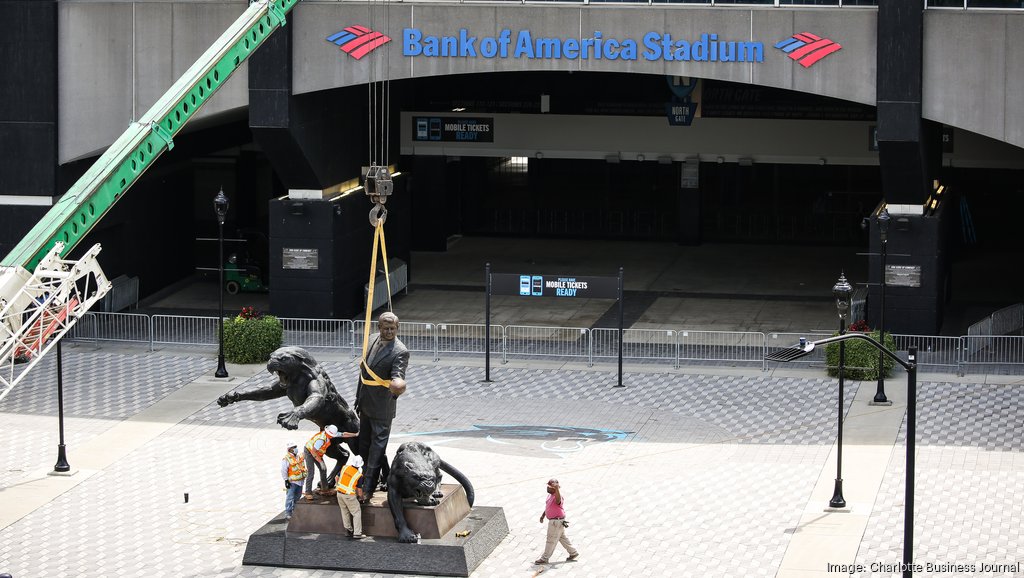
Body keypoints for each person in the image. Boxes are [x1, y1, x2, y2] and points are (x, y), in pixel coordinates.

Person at [355, 311, 409, 503]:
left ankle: (368, 488)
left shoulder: (399, 351)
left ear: (397, 328)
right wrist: (358, 398)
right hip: (365, 404)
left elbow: (398, 373)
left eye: (392, 328)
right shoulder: (370, 339)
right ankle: (376, 477)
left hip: (382, 407)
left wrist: (398, 383)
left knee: (377, 449)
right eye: (385, 328)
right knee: (364, 446)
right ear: (379, 327)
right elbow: (364, 374)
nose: (389, 332)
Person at [534, 478, 580, 565]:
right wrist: (543, 515)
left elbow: (558, 501)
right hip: (556, 521)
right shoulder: (550, 495)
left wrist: (557, 489)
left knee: (551, 539)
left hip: (556, 522)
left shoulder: (558, 496)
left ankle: (545, 558)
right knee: (562, 538)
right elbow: (548, 506)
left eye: (549, 487)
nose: (547, 488)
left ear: (554, 488)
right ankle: (573, 553)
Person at [302, 424, 339, 500]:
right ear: (328, 433)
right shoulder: (321, 440)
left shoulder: (329, 434)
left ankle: (324, 489)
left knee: (323, 469)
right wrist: (320, 462)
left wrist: (355, 434)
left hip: (317, 453)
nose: (332, 436)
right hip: (309, 452)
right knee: (311, 472)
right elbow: (313, 451)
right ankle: (308, 492)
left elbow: (343, 434)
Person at [335, 454, 366, 539]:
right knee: (356, 512)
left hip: (339, 494)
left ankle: (348, 530)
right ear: (360, 465)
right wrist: (362, 498)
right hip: (349, 496)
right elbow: (359, 491)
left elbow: (336, 477)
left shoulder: (345, 467)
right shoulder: (358, 475)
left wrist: (338, 486)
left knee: (344, 512)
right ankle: (357, 533)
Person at [281, 442, 307, 520]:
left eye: (296, 447)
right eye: (294, 447)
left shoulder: (299, 457)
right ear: (290, 450)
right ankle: (288, 512)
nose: (296, 448)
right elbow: (283, 470)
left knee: (297, 497)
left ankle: (295, 510)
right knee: (290, 498)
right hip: (292, 482)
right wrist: (286, 480)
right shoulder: (286, 458)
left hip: (300, 481)